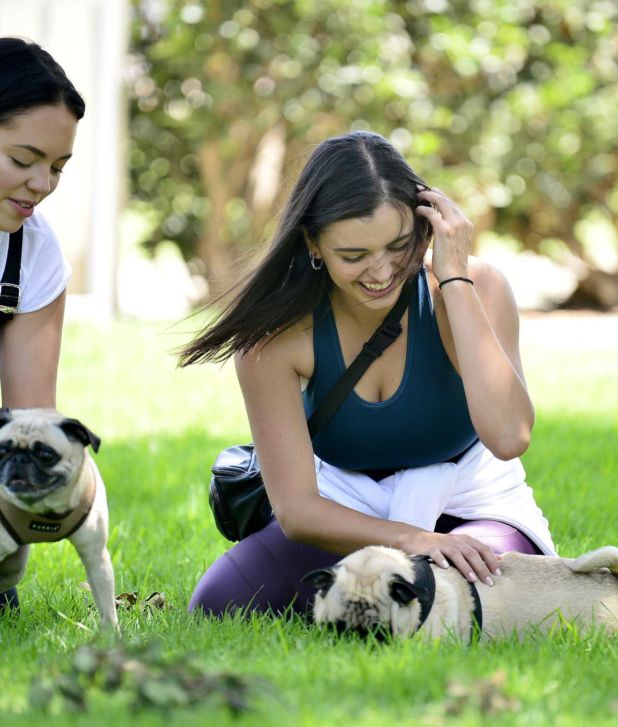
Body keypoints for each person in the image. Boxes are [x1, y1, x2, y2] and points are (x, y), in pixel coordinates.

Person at [180, 131, 555, 618]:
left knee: (445, 597)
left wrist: (455, 277)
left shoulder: (472, 287)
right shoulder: (272, 340)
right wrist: (414, 539)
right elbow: (297, 511)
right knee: (219, 602)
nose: (381, 272)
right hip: (347, 504)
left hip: (470, 501)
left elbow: (509, 437)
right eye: (353, 256)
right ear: (313, 243)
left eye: (398, 246)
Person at [0, 38, 85, 612]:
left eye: (56, 167)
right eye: (22, 160)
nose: (42, 184)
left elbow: (31, 422)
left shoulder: (32, 252)